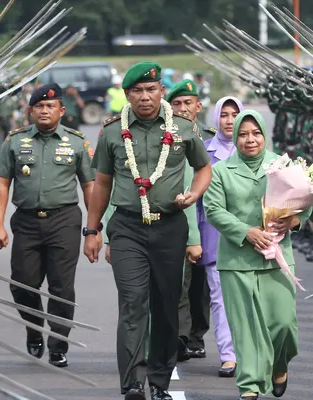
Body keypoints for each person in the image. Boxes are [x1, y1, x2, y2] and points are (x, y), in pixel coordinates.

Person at [83, 61, 212, 400]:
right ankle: (132, 383)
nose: (144, 97)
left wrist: (194, 194)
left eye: (151, 90)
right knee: (132, 304)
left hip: (170, 228)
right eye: (137, 91)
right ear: (126, 95)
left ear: (161, 92)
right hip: (126, 228)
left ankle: (159, 382)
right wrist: (92, 230)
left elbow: (203, 168)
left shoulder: (183, 127)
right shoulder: (112, 131)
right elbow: (102, 184)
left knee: (166, 308)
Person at [204, 109, 312, 400]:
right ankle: (249, 387)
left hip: (276, 259)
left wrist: (295, 220)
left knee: (284, 325)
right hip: (237, 261)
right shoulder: (220, 171)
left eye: (255, 133)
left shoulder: (282, 166)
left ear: (264, 134)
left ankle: (279, 365)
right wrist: (245, 231)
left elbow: (304, 202)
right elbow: (214, 210)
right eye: (242, 134)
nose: (249, 140)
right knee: (246, 329)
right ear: (234, 136)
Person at [0, 83, 95, 368]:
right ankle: (34, 329)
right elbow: (2, 183)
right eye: (39, 106)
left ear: (61, 111)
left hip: (65, 221)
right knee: (23, 284)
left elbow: (89, 186)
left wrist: (94, 230)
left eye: (51, 106)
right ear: (30, 111)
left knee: (62, 287)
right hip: (25, 221)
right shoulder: (14, 141)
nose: (45, 111)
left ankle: (59, 344)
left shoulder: (76, 142)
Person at [165, 79, 216, 361]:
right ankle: (182, 337)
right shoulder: (163, 137)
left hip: (207, 220)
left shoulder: (211, 138)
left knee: (201, 285)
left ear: (198, 106)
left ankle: (197, 334)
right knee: (179, 281)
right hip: (178, 215)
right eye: (176, 104)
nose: (183, 108)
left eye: (188, 103)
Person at [198, 95, 243, 378]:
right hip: (215, 237)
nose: (229, 120)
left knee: (249, 300)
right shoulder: (203, 152)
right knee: (220, 299)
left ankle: (250, 353)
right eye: (224, 115)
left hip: (250, 238)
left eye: (234, 114)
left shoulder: (253, 148)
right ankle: (228, 355)